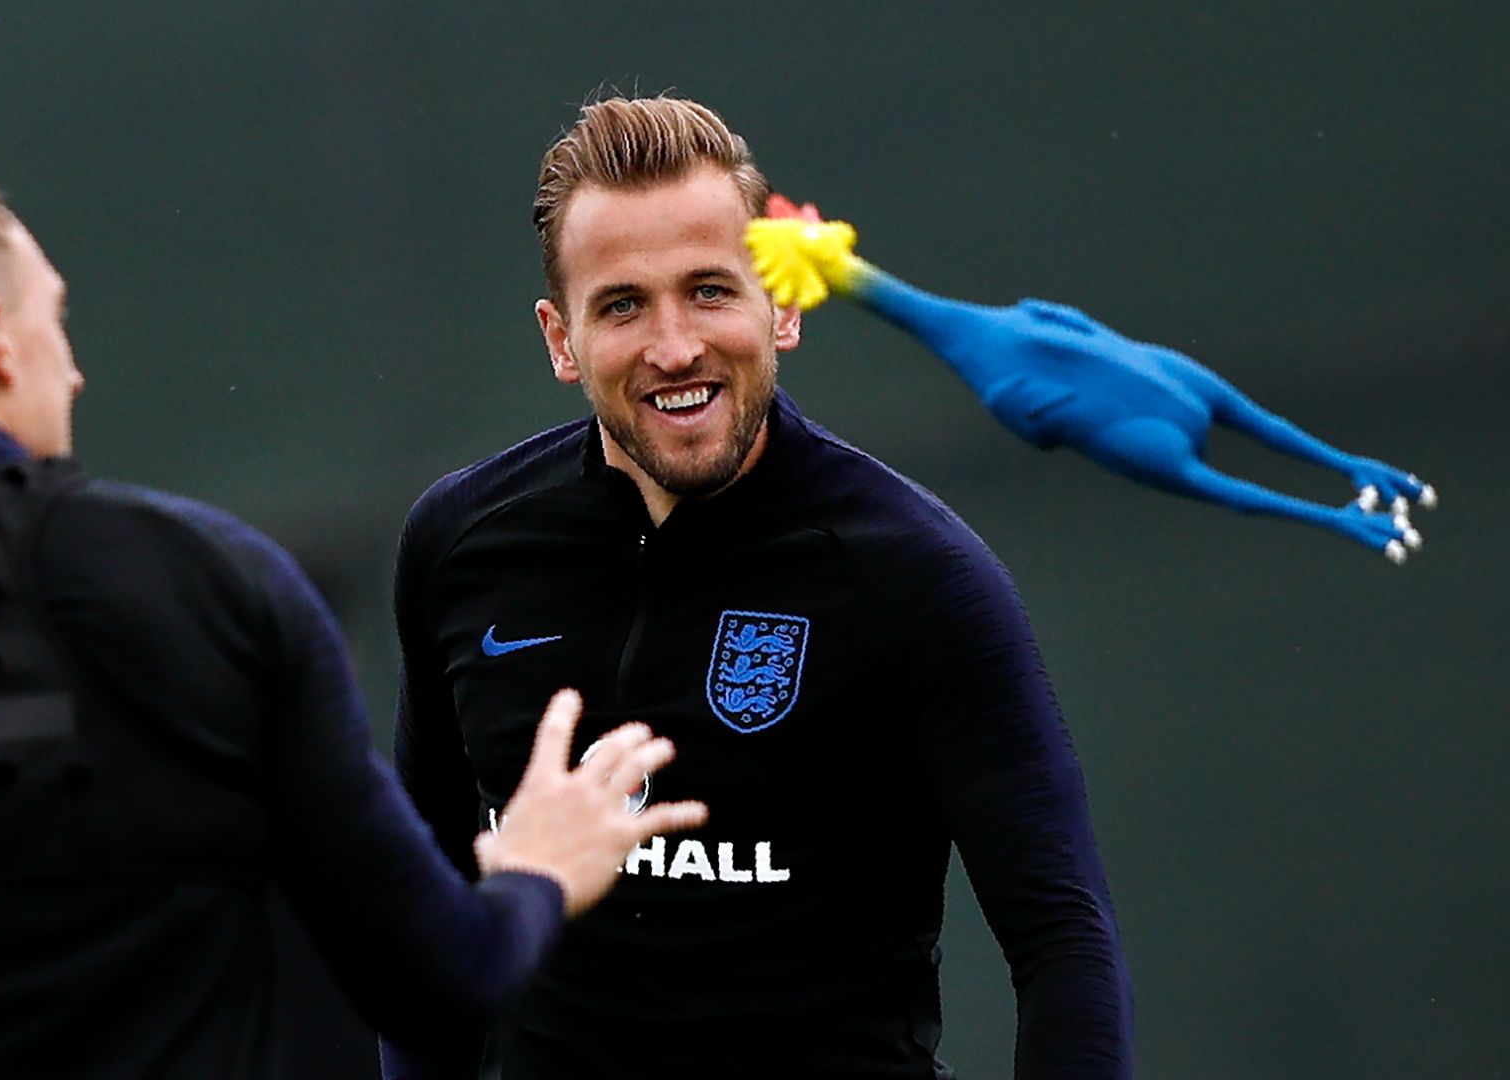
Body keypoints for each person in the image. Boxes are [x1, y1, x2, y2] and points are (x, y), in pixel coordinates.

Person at [0, 158, 706, 1079]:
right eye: (55, 321)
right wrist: (537, 871)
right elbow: (432, 973)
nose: (70, 369)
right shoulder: (226, 583)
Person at [383, 97, 1134, 1079]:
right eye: (622, 305)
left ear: (781, 304)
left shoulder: (916, 573)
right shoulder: (459, 543)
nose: (675, 346)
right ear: (559, 339)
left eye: (709, 291)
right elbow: (420, 912)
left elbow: (1062, 945)